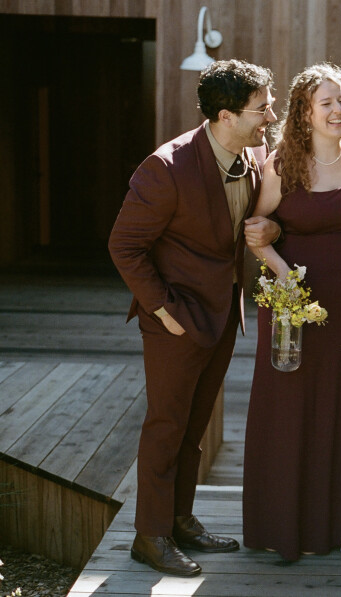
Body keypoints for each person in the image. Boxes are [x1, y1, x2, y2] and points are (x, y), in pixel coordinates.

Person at [108, 59, 279, 577]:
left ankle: (180, 520)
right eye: (261, 108)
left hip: (225, 314)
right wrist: (164, 310)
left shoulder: (252, 155)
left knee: (193, 426)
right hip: (175, 320)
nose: (269, 116)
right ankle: (150, 536)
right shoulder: (165, 168)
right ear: (226, 115)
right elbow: (124, 246)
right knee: (166, 426)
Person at [242, 63, 341, 560]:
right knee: (288, 409)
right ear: (303, 111)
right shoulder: (282, 165)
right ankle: (282, 528)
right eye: (327, 102)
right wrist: (284, 276)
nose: (339, 109)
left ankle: (333, 527)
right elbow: (256, 229)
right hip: (293, 305)